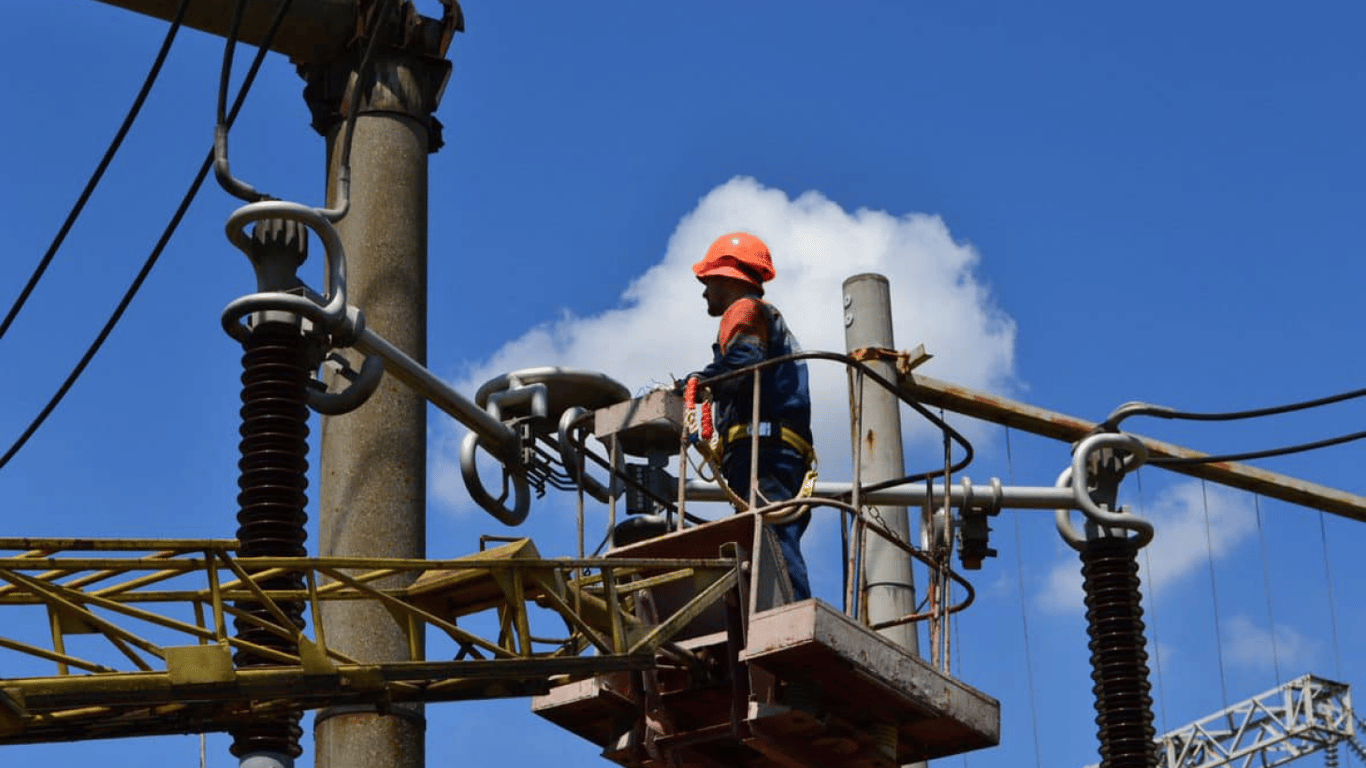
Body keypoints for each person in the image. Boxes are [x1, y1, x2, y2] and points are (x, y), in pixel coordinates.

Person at [683, 232, 815, 600]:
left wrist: (700, 380)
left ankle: (792, 617)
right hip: (778, 449)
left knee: (770, 536)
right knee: (771, 537)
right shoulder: (765, 315)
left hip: (763, 449)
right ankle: (784, 612)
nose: (705, 292)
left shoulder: (743, 310)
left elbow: (744, 362)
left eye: (708, 281)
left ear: (726, 279)